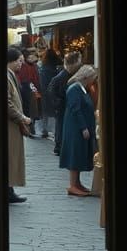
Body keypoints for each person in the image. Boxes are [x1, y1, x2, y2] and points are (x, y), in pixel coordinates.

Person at [60, 64, 98, 196]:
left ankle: (77, 183)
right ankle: (72, 185)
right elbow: (76, 110)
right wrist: (84, 128)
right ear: (86, 77)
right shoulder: (74, 89)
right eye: (93, 78)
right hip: (75, 128)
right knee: (74, 154)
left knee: (80, 154)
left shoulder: (82, 88)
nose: (94, 80)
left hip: (80, 127)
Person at [6, 46, 31, 204]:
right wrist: (20, 117)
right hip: (10, 125)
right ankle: (8, 190)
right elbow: (7, 102)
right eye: (19, 61)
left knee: (12, 158)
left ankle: (9, 189)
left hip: (13, 124)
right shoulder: (6, 76)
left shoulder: (10, 75)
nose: (21, 64)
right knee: (10, 157)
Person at [47, 49, 82, 155]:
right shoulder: (61, 77)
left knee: (62, 126)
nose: (80, 64)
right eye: (78, 62)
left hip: (64, 106)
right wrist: (59, 103)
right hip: (63, 107)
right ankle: (59, 147)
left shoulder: (68, 75)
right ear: (73, 63)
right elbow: (51, 91)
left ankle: (61, 146)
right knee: (62, 126)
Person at [17, 45, 42, 138]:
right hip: (27, 88)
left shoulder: (32, 66)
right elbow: (24, 77)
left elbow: (36, 78)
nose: (33, 58)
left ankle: (31, 128)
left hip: (32, 88)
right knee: (29, 109)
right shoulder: (25, 66)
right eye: (31, 57)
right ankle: (29, 128)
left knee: (33, 109)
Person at [37, 47, 60, 139]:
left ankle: (44, 130)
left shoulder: (43, 68)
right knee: (55, 112)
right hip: (54, 92)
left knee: (45, 111)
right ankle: (55, 131)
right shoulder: (57, 67)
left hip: (45, 92)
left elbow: (41, 81)